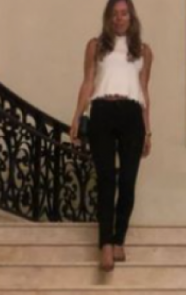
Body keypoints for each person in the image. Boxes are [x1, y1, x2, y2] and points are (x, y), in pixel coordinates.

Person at [70, 0, 153, 272]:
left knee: (127, 181)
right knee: (106, 179)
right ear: (108, 18)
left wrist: (148, 130)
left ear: (131, 17)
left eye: (124, 13)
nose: (119, 18)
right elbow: (87, 82)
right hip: (102, 111)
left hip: (132, 114)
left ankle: (119, 240)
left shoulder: (143, 50)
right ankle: (105, 243)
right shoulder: (95, 46)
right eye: (114, 14)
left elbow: (144, 91)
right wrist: (76, 117)